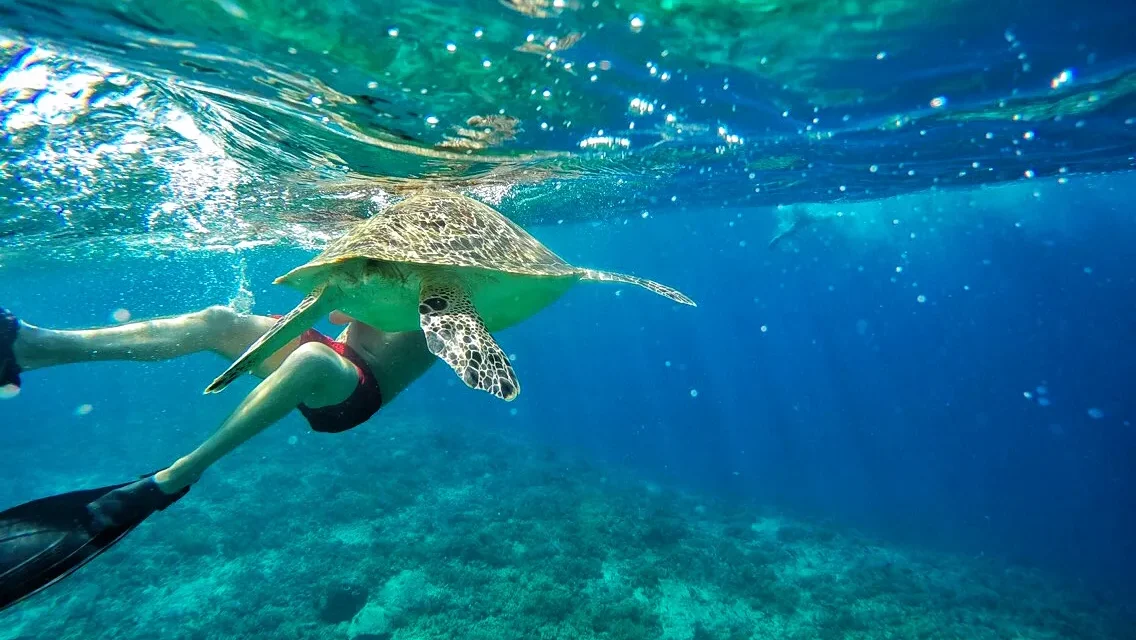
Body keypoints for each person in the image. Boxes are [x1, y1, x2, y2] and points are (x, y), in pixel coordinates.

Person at [0, 304, 436, 611]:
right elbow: (341, 315)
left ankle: (173, 478)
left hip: (358, 388)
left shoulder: (464, 282)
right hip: (334, 352)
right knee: (219, 321)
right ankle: (29, 347)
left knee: (311, 357)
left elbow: (435, 331)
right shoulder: (393, 243)